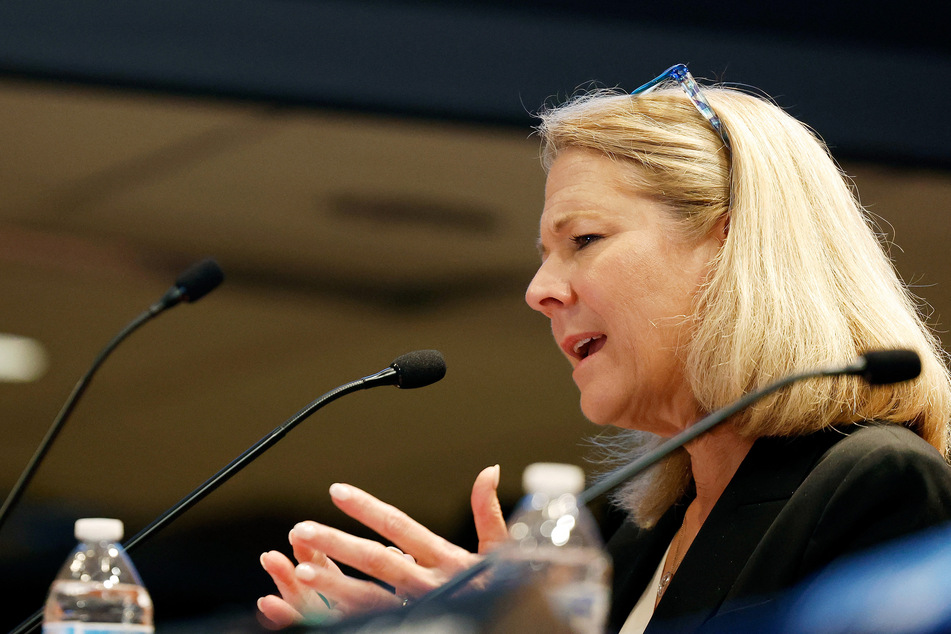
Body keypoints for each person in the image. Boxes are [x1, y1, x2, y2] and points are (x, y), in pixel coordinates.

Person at [257, 64, 951, 632]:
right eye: (544, 254)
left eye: (583, 240)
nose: (539, 290)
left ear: (732, 245)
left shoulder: (875, 483)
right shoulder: (631, 546)